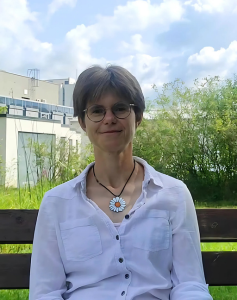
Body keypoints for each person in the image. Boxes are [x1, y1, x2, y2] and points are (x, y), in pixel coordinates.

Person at [29, 65, 213, 300]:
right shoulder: (57, 202)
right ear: (83, 123)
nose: (109, 119)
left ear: (138, 118)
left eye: (120, 108)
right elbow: (45, 293)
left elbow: (190, 284)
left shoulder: (174, 194)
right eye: (97, 111)